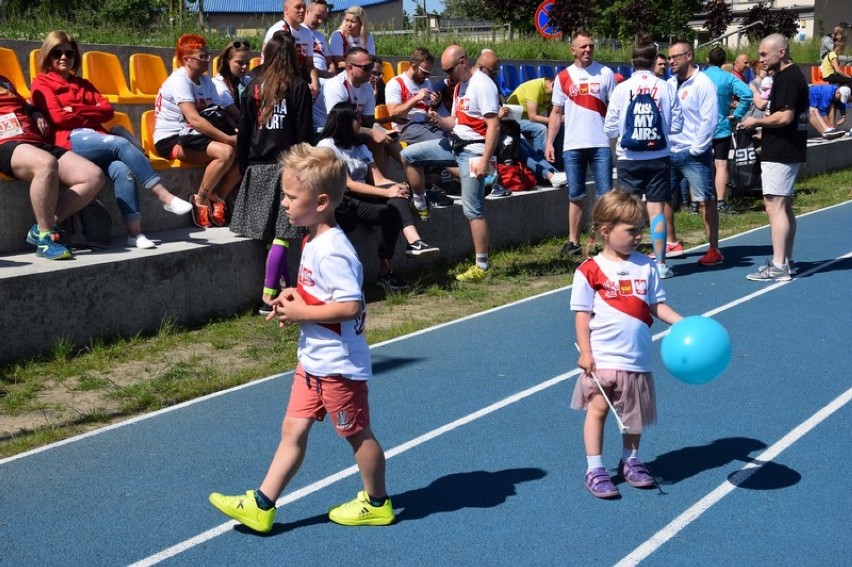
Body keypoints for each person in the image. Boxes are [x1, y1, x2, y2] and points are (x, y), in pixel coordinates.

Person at [209, 143, 395, 531]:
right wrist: (294, 298)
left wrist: (302, 313)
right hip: (312, 359)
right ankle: (262, 505)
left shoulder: (334, 250)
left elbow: (350, 306)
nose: (284, 204)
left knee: (357, 434)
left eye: (292, 197)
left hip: (339, 366)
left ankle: (378, 502)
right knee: (292, 428)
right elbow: (319, 292)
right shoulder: (310, 239)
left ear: (322, 201)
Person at [31, 30, 192, 250]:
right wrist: (89, 111)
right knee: (120, 143)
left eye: (69, 53)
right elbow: (59, 117)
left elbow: (107, 110)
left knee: (122, 169)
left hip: (95, 138)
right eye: (56, 53)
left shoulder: (84, 84)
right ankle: (163, 196)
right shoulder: (42, 83)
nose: (63, 58)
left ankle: (134, 234)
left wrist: (75, 109)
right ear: (47, 55)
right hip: (67, 141)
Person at [571, 190, 682, 499]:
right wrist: (587, 352)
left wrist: (682, 323)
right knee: (598, 410)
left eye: (640, 229)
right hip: (603, 358)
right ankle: (595, 468)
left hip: (637, 358)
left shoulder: (646, 266)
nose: (638, 236)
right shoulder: (589, 271)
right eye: (631, 230)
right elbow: (582, 317)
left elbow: (657, 306)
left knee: (633, 416)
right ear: (606, 231)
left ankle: (630, 461)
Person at [399, 45, 501, 282]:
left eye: (448, 70)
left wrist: (486, 160)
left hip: (474, 150)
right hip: (454, 143)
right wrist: (440, 119)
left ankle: (481, 266)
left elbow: (493, 125)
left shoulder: (483, 84)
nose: (447, 76)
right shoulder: (459, 88)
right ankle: (419, 201)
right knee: (409, 155)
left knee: (472, 209)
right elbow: (456, 121)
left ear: (462, 62)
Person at [230, 31, 313, 313]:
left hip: (256, 165)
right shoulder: (298, 86)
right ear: (292, 55)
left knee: (272, 237)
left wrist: (244, 167)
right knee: (282, 235)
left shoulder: (252, 85)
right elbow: (304, 133)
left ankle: (286, 292)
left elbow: (244, 132)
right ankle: (267, 297)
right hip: (286, 167)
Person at [318, 103, 439, 290]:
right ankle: (392, 265)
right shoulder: (327, 146)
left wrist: (396, 187)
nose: (361, 121)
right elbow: (348, 185)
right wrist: (387, 191)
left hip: (365, 196)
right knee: (391, 210)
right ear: (344, 122)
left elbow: (378, 179)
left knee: (397, 199)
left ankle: (411, 243)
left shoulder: (359, 146)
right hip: (344, 201)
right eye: (356, 118)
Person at [604, 38, 683, 279]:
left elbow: (610, 129)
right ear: (654, 62)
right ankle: (660, 264)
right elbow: (677, 125)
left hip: (629, 157)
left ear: (632, 62)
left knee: (628, 211)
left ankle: (628, 261)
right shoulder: (667, 87)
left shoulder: (621, 88)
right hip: (659, 155)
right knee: (656, 210)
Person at [0, 75, 104, 259]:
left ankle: (42, 227)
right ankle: (46, 238)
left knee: (93, 176)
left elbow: (22, 104)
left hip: (32, 139)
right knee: (45, 164)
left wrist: (35, 113)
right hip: (6, 143)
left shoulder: (4, 80)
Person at [739, 34, 810, 282]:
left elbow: (785, 117)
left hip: (782, 149)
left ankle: (780, 265)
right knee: (783, 206)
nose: (761, 59)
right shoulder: (785, 76)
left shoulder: (788, 78)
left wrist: (756, 122)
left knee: (774, 206)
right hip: (783, 147)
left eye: (764, 54)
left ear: (781, 52)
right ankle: (784, 260)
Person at [153, 34, 242, 229]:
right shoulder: (179, 81)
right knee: (226, 152)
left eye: (208, 55)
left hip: (196, 136)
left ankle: (219, 197)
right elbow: (194, 119)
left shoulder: (207, 82)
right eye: (202, 57)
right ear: (187, 60)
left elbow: (216, 114)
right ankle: (200, 199)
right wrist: (227, 138)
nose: (207, 60)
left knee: (245, 152)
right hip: (172, 139)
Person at [545, 30, 616, 258]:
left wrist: (615, 137)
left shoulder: (606, 73)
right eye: (583, 46)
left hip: (600, 144)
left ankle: (608, 243)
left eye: (591, 46)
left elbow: (614, 109)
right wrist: (549, 142)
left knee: (605, 196)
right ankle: (573, 242)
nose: (588, 50)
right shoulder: (563, 77)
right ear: (572, 50)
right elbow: (556, 112)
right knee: (575, 196)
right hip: (573, 144)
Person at [667, 40, 722, 267]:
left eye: (675, 57)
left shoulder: (703, 83)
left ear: (688, 56)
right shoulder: (669, 83)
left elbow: (709, 119)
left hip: (693, 153)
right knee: (663, 199)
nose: (671, 61)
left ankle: (714, 249)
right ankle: (671, 243)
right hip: (670, 151)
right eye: (669, 58)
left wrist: (697, 148)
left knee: (705, 201)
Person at [703, 46, 752, 215]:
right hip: (721, 125)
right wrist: (737, 115)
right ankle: (721, 202)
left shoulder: (699, 77)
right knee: (721, 164)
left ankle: (696, 203)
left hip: (700, 127)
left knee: (699, 164)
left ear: (708, 60)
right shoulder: (728, 77)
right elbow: (747, 94)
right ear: (725, 62)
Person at [263, 0, 321, 100]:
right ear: (286, 10)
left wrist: (315, 82)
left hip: (298, 79)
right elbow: (275, 68)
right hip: (277, 81)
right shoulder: (277, 31)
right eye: (298, 7)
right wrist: (301, 86)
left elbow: (309, 64)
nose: (302, 10)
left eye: (304, 7)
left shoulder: (307, 33)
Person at [384, 47, 444, 144]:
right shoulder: (396, 83)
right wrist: (416, 98)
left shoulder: (427, 83)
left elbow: (429, 112)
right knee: (437, 144)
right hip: (407, 127)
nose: (426, 76)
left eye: (429, 73)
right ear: (414, 66)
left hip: (426, 124)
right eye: (424, 72)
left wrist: (434, 106)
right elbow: (393, 114)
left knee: (448, 141)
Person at [506, 75, 556, 155]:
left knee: (559, 128)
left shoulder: (554, 93)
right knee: (541, 129)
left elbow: (553, 116)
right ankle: (542, 163)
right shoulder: (535, 86)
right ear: (553, 84)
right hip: (514, 120)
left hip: (527, 121)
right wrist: (558, 120)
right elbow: (533, 117)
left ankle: (558, 164)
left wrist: (557, 122)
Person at [329, 5, 376, 72]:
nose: (348, 24)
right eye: (347, 20)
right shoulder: (338, 35)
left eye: (352, 22)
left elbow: (371, 58)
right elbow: (339, 63)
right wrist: (359, 67)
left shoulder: (368, 36)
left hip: (364, 72)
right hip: (343, 72)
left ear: (361, 23)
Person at [212, 40, 252, 113]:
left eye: (247, 62)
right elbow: (237, 116)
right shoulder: (218, 85)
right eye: (240, 63)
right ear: (227, 61)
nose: (245, 66)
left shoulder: (248, 81)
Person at [304, 0, 333, 76]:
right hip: (310, 77)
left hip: (326, 76)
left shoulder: (320, 36)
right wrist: (324, 74)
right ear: (307, 12)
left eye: (323, 18)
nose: (320, 22)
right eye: (317, 16)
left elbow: (329, 61)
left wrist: (332, 74)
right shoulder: (297, 32)